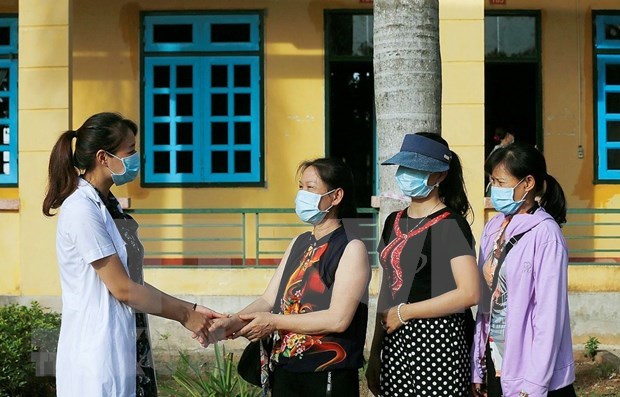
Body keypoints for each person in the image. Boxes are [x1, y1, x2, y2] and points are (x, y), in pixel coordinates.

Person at [43, 112, 222, 397]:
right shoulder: (81, 209)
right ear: (103, 157)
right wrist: (184, 315)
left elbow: (131, 280)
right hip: (98, 351)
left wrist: (192, 308)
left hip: (129, 340)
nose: (137, 158)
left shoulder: (109, 204)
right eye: (131, 150)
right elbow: (123, 289)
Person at [209, 158, 371, 397]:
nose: (302, 194)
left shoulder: (351, 247)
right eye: (301, 187)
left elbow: (338, 319)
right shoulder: (300, 243)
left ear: (336, 197)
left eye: (311, 187)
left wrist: (273, 322)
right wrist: (232, 322)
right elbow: (268, 300)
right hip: (285, 367)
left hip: (326, 372)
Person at [366, 132, 480, 397]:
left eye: (417, 168)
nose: (408, 173)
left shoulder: (450, 225)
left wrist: (406, 312)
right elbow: (388, 288)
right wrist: (375, 353)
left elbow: (470, 293)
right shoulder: (392, 221)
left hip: (438, 343)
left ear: (440, 175)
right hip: (395, 342)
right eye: (405, 166)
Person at [471, 142, 576, 397]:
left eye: (500, 182)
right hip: (498, 364)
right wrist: (479, 364)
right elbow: (486, 307)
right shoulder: (494, 227)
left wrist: (535, 385)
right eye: (491, 182)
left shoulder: (546, 234)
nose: (493, 190)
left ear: (527, 184)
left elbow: (548, 316)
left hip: (533, 378)